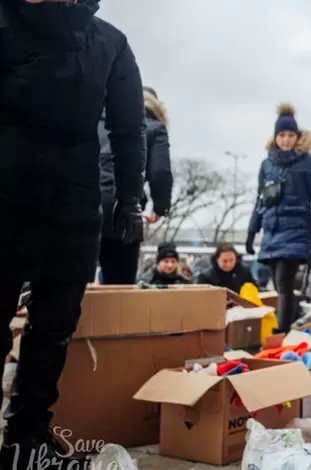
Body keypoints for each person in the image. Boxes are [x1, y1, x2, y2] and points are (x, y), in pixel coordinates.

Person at [0, 0, 146, 467]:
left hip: (74, 199)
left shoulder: (109, 41)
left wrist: (129, 198)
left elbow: (128, 128)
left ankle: (27, 439)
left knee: (55, 326)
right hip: (7, 190)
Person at [246, 104, 311, 332]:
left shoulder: (307, 163)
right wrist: (251, 231)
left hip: (296, 228)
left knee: (285, 282)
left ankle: (282, 331)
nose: (286, 139)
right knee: (277, 284)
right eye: (282, 135)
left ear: (297, 137)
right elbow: (260, 199)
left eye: (291, 135)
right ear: (275, 137)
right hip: (272, 229)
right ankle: (294, 323)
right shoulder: (267, 164)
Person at [98, 86, 173, 285]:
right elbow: (160, 173)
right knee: (119, 288)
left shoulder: (96, 121)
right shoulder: (155, 128)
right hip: (122, 211)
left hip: (81, 205)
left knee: (73, 288)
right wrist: (160, 207)